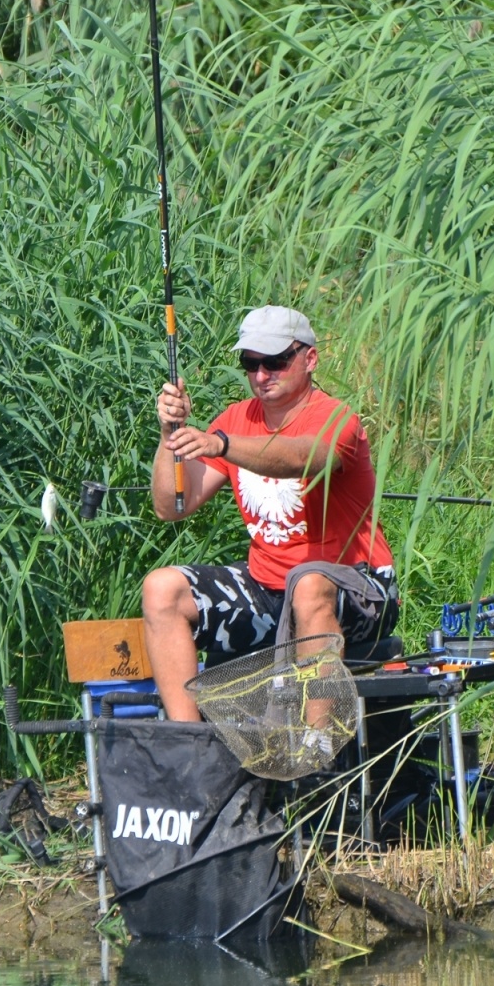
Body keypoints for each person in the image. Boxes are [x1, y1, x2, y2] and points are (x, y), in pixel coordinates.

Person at [143, 305, 398, 721]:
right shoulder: (235, 419)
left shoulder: (337, 418)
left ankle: (317, 744)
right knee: (161, 588)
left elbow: (301, 457)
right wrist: (169, 432)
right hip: (268, 589)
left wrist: (222, 445)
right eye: (251, 363)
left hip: (361, 587)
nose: (261, 375)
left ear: (310, 359)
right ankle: (190, 743)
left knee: (308, 584)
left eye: (275, 362)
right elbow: (171, 506)